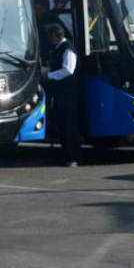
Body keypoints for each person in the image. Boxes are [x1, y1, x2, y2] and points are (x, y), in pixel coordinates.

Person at [45, 23, 81, 167]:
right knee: (61, 124)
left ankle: (74, 157)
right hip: (61, 93)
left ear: (55, 35)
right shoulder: (57, 49)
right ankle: (66, 155)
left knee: (69, 125)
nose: (49, 39)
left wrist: (49, 75)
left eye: (50, 36)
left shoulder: (68, 49)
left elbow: (68, 70)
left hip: (69, 94)